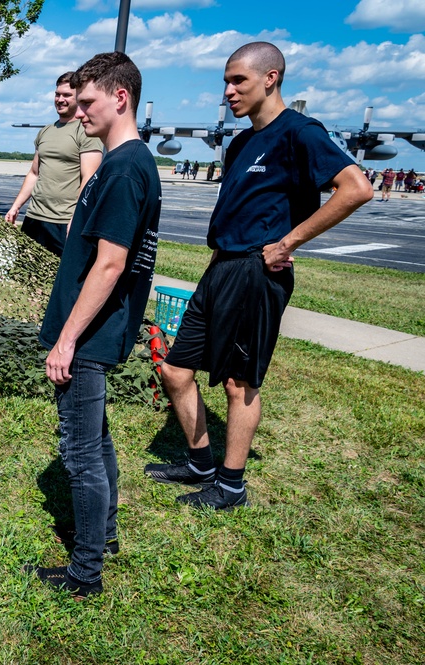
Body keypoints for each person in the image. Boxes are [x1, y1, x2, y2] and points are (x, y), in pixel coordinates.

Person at [146, 42, 373, 510]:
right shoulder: (244, 142)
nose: (228, 92)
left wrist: (289, 243)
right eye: (226, 82)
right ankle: (200, 462)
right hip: (221, 268)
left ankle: (230, 485)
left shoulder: (300, 132)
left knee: (238, 383)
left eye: (238, 81)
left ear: (270, 78)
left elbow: (356, 188)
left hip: (257, 272)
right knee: (174, 368)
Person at [26, 52, 162, 598]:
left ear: (119, 97)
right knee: (97, 437)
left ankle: (84, 574)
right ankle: (101, 537)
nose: (78, 112)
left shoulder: (126, 166)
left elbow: (110, 262)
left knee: (79, 452)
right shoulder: (121, 161)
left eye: (87, 102)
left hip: (88, 336)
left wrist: (66, 338)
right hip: (94, 331)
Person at [5, 72, 104, 257]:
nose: (60, 99)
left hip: (64, 221)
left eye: (66, 95)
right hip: (34, 217)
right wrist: (16, 206)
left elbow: (89, 179)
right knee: (27, 277)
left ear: (79, 97)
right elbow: (34, 173)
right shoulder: (46, 131)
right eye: (57, 94)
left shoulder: (85, 132)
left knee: (59, 280)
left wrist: (77, 217)